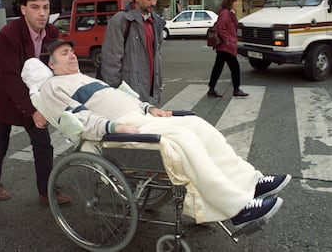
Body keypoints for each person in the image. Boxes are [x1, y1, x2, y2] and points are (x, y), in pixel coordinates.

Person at [24, 39, 291, 228]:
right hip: (120, 129)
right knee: (185, 140)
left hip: (139, 117)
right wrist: (113, 127)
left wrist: (150, 107)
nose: (71, 55)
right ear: (51, 64)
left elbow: (123, 97)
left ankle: (251, 183)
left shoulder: (87, 78)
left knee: (198, 125)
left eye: (71, 51)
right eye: (64, 53)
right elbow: (77, 119)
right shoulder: (53, 88)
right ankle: (237, 209)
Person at [0, 0, 71, 205]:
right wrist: (32, 111)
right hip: (4, 96)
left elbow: (57, 65)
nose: (41, 13)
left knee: (43, 144)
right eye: (34, 7)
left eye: (46, 7)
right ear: (23, 9)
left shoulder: (51, 32)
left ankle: (46, 190)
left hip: (33, 95)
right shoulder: (9, 35)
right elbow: (10, 77)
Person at [101, 0, 165, 106]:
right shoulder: (120, 21)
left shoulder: (156, 21)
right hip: (128, 94)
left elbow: (157, 57)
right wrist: (113, 94)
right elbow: (111, 62)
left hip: (151, 93)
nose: (153, 2)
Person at [207, 0, 249, 98]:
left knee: (218, 67)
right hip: (226, 46)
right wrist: (227, 41)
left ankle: (211, 89)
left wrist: (233, 14)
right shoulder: (225, 13)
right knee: (235, 67)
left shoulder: (228, 13)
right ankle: (236, 89)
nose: (237, 3)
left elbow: (234, 25)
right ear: (230, 2)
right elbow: (221, 28)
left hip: (224, 46)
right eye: (235, 1)